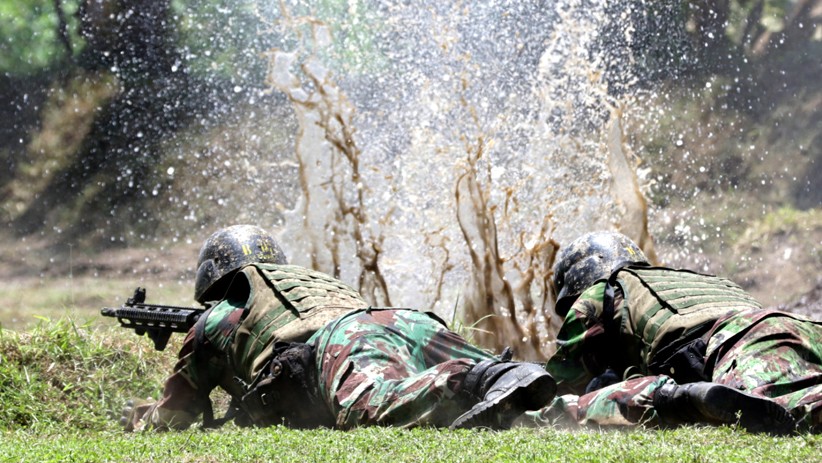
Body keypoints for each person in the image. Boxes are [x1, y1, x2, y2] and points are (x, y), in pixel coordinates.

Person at [122, 225, 555, 431]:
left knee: (372, 406)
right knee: (520, 392)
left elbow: (175, 413)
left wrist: (137, 419)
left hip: (339, 342)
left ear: (212, 276)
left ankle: (479, 378)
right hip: (401, 320)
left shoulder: (219, 316)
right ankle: (557, 399)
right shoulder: (305, 281)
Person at [539, 230, 821, 433]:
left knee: (794, 414)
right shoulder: (691, 278)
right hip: (805, 329)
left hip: (742, 341)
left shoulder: (599, 293)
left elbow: (560, 384)